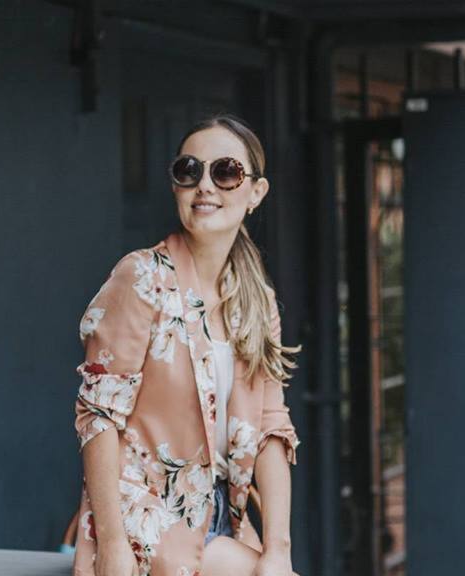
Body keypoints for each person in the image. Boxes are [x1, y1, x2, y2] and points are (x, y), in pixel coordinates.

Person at [72, 114, 301, 576]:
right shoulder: (142, 277)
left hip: (224, 518)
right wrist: (112, 545)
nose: (205, 186)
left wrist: (278, 550)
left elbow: (271, 429)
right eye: (189, 170)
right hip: (146, 523)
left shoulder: (257, 301)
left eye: (226, 171)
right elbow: (99, 417)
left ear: (256, 192)